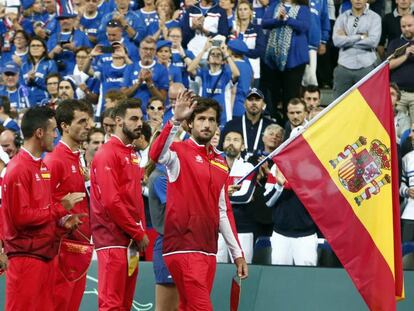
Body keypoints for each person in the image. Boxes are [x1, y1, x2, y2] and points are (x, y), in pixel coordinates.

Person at [149, 93, 248, 310]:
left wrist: (238, 254)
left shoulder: (221, 162)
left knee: (187, 307)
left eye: (211, 120)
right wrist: (175, 120)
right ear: (190, 123)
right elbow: (156, 154)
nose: (206, 124)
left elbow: (223, 211)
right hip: (183, 247)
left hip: (208, 250)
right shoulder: (178, 152)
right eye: (201, 119)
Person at [0, 106, 85, 310]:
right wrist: (61, 208)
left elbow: (42, 213)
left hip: (46, 257)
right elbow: (21, 218)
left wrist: (64, 224)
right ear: (39, 133)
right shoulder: (18, 169)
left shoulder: (42, 167)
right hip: (25, 261)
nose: (55, 135)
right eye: (53, 130)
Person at [90, 99, 149, 310]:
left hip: (130, 243)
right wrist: (138, 232)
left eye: (141, 118)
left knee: (123, 304)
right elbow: (111, 201)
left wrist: (138, 231)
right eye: (133, 119)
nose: (139, 123)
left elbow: (133, 199)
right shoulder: (107, 152)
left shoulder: (130, 153)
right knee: (111, 305)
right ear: (118, 121)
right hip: (113, 239)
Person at [43, 99, 92, 311]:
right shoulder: (54, 160)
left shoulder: (77, 158)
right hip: (61, 250)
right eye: (81, 121)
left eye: (88, 121)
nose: (88, 126)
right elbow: (43, 204)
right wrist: (64, 219)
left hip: (78, 247)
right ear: (64, 126)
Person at [261, 0, 311, 118]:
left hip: (295, 60)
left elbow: (304, 27)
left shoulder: (303, 8)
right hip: (274, 60)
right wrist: (277, 19)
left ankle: (289, 125)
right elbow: (264, 23)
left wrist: (287, 19)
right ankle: (275, 121)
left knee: (290, 95)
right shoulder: (274, 6)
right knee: (274, 95)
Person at [217, 130, 256, 264]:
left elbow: (245, 196)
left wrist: (219, 195)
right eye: (228, 139)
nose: (231, 143)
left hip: (242, 228)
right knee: (217, 269)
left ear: (243, 146)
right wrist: (225, 194)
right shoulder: (214, 166)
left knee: (243, 269)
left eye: (236, 140)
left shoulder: (248, 167)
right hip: (218, 228)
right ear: (222, 144)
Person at [332, 0, 381, 99]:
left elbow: (373, 41)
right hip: (344, 67)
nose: (358, 0)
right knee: (339, 105)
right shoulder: (342, 18)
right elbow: (337, 41)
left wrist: (347, 39)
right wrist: (361, 37)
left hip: (366, 66)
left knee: (367, 104)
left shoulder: (375, 17)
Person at [187, 39, 240, 126]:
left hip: (223, 117)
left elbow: (237, 74)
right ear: (207, 60)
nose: (215, 56)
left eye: (219, 55)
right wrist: (204, 50)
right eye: (212, 54)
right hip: (204, 114)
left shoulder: (226, 74)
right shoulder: (203, 73)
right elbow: (190, 69)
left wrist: (226, 54)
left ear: (223, 61)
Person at [219, 88, 277, 159]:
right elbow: (220, 150)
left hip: (263, 168)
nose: (254, 103)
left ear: (263, 104)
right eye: (250, 99)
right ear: (244, 104)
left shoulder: (272, 126)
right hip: (236, 168)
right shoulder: (231, 125)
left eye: (257, 100)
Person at [122, 36, 169, 113]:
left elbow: (162, 99)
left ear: (155, 51)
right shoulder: (130, 67)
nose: (148, 52)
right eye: (145, 49)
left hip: (153, 113)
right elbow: (123, 95)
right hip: (133, 112)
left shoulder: (162, 69)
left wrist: (150, 83)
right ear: (139, 50)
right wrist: (138, 82)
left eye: (151, 49)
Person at [231, 0, 266, 86]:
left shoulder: (257, 29)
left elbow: (260, 50)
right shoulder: (233, 30)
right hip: (234, 70)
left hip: (253, 70)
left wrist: (241, 52)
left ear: (251, 12)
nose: (242, 12)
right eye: (240, 9)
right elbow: (229, 49)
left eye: (245, 9)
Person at [387, 14, 414, 124]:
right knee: (394, 127)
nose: (406, 28)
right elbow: (388, 65)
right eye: (403, 26)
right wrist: (405, 55)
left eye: (409, 25)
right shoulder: (394, 43)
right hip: (398, 95)